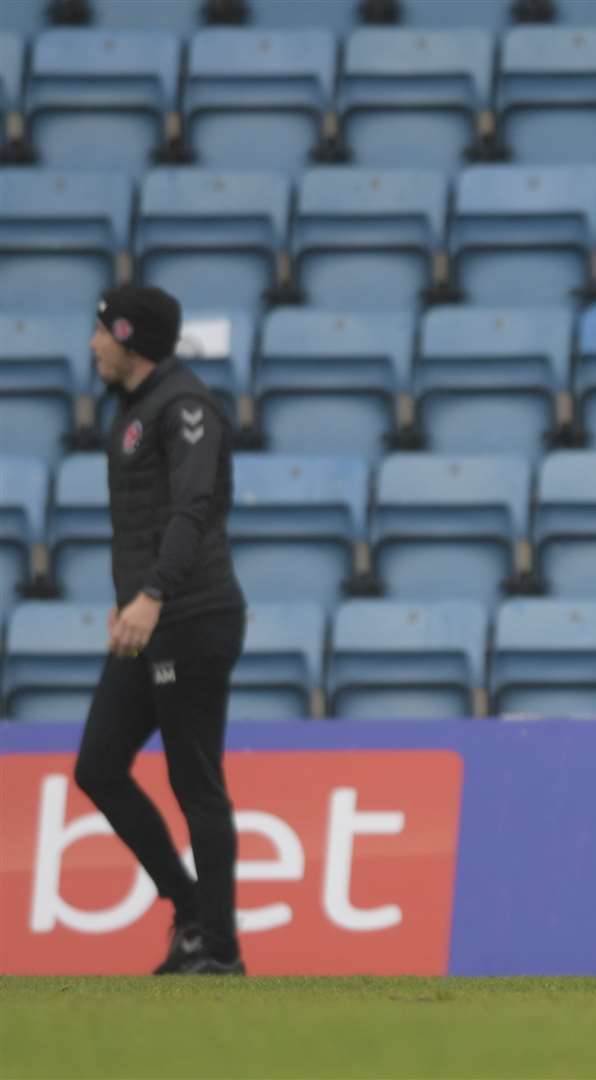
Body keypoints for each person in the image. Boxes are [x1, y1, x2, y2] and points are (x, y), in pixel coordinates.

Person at [71, 285, 248, 975]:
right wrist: (130, 600)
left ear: (127, 335)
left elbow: (193, 507)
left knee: (195, 782)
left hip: (193, 615)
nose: (92, 345)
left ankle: (221, 952)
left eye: (100, 333)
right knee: (98, 767)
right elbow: (143, 523)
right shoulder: (135, 412)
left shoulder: (185, 406)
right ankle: (192, 910)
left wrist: (151, 593)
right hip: (150, 620)